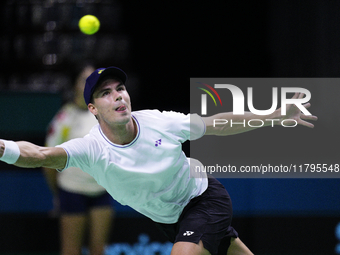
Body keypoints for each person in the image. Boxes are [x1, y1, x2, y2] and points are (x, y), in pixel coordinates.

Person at [0, 66, 317, 255]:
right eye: (106, 93)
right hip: (169, 220)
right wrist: (2, 147)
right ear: (93, 109)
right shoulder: (90, 148)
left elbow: (218, 123)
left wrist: (274, 116)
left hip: (203, 200)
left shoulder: (159, 122)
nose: (119, 96)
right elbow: (40, 155)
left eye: (120, 88)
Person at [43, 63, 115, 255]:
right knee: (71, 250)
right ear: (75, 84)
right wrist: (57, 194)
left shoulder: (106, 114)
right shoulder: (64, 118)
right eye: (84, 79)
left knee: (98, 250)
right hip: (71, 190)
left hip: (101, 191)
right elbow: (47, 160)